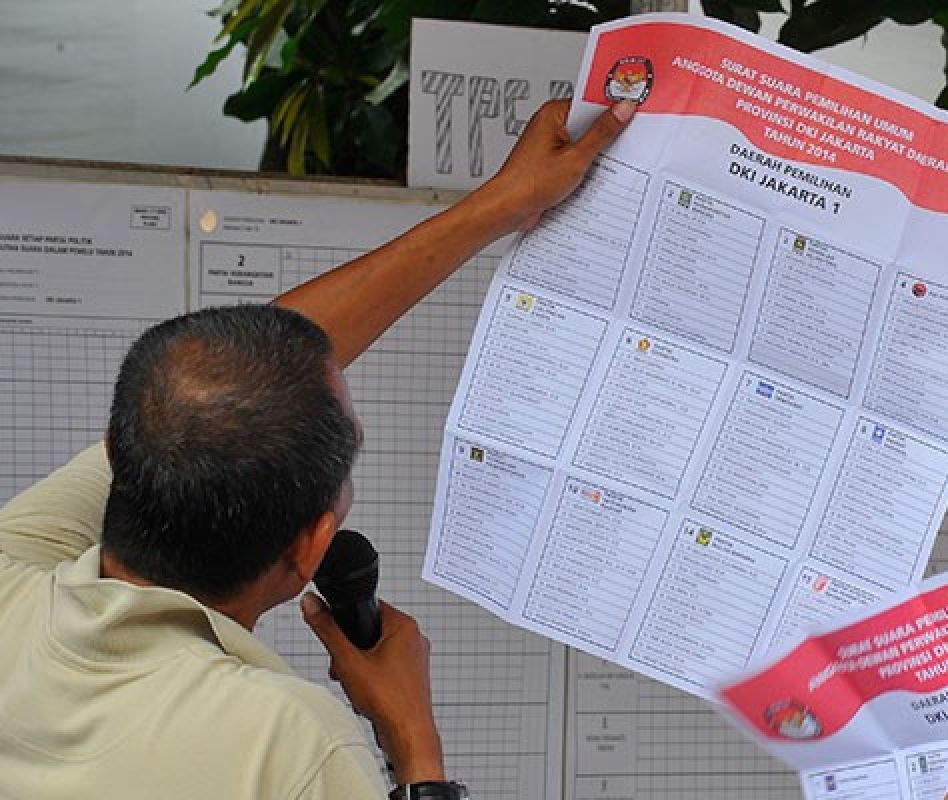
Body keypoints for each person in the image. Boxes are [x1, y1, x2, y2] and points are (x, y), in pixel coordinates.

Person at [0, 98, 635, 800]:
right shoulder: (287, 741)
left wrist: (500, 206)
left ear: (117, 451)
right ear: (310, 549)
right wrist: (413, 742)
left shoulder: (10, 589)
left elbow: (248, 361)